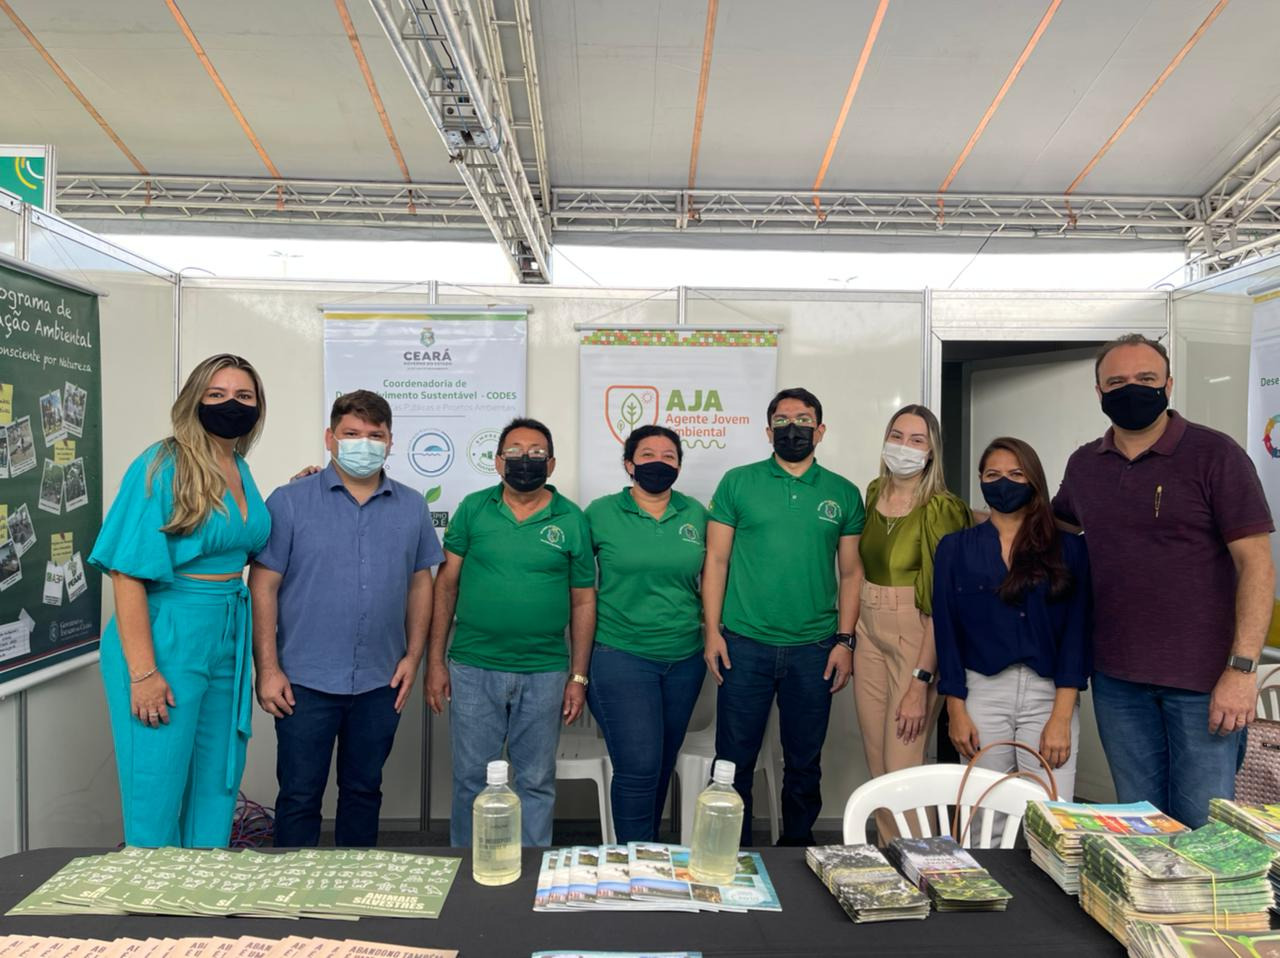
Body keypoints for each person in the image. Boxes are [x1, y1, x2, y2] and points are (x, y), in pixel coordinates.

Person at [1053, 333, 1275, 827]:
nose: (1131, 388)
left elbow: (1257, 565)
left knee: (1202, 826)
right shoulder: (1085, 465)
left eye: (1146, 378)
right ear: (1099, 391)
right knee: (1141, 826)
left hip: (1204, 683)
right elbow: (1051, 530)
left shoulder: (1216, 455)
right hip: (1117, 681)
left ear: (1169, 385)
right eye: (1117, 382)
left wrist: (1242, 671)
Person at [89, 354, 270, 847]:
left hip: (226, 633)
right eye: (217, 394)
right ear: (194, 400)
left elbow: (243, 541)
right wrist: (143, 674)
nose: (231, 404)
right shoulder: (161, 465)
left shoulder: (239, 467)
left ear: (258, 407)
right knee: (157, 780)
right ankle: (152, 886)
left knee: (217, 777)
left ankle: (204, 880)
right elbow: (126, 572)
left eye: (244, 396)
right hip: (166, 631)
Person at [249, 390, 442, 848]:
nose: (364, 444)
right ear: (330, 438)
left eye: (375, 435)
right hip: (303, 681)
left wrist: (414, 657)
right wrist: (267, 669)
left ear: (390, 441)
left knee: (363, 792)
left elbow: (421, 584)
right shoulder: (290, 501)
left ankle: (355, 886)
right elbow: (263, 586)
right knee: (299, 796)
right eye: (351, 434)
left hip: (379, 681)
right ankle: (291, 886)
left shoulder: (412, 506)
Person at [703, 387, 865, 846]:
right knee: (732, 760)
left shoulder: (843, 493)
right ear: (768, 430)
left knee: (804, 763)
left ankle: (796, 853)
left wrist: (845, 641)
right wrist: (712, 632)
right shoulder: (738, 483)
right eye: (782, 420)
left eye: (803, 419)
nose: (792, 428)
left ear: (821, 430)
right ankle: (732, 853)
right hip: (743, 644)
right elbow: (716, 561)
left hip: (815, 649)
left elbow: (851, 573)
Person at [426, 417, 596, 846]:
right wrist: (435, 661)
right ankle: (469, 870)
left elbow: (583, 601)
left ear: (551, 464)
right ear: (498, 461)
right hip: (473, 666)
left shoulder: (572, 519)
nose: (526, 459)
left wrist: (578, 676)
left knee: (535, 780)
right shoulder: (473, 509)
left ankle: (531, 872)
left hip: (545, 671)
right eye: (515, 451)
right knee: (471, 778)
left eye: (537, 452)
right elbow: (446, 585)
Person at [934, 437, 1091, 802]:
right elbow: (947, 632)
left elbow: (1077, 634)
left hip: (1049, 695)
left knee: (1051, 812)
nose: (1004, 482)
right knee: (982, 814)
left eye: (1016, 474)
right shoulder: (954, 549)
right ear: (980, 480)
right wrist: (955, 709)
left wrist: (1061, 717)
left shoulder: (1070, 549)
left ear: (1033, 479)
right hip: (981, 692)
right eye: (993, 474)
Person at [585, 424, 707, 842]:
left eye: (669, 456)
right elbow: (575, 582)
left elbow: (715, 576)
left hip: (685, 659)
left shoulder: (696, 515)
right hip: (621, 654)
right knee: (638, 766)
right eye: (648, 455)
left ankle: (648, 853)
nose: (659, 463)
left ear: (679, 466)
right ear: (629, 464)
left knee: (660, 766)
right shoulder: (600, 513)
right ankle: (634, 861)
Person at [854, 405, 970, 841]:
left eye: (917, 440)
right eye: (897, 436)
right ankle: (894, 862)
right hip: (868, 627)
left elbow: (945, 599)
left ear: (931, 450)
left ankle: (926, 865)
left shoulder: (941, 507)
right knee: (879, 767)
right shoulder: (873, 492)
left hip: (916, 632)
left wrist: (921, 681)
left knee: (902, 768)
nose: (904, 447)